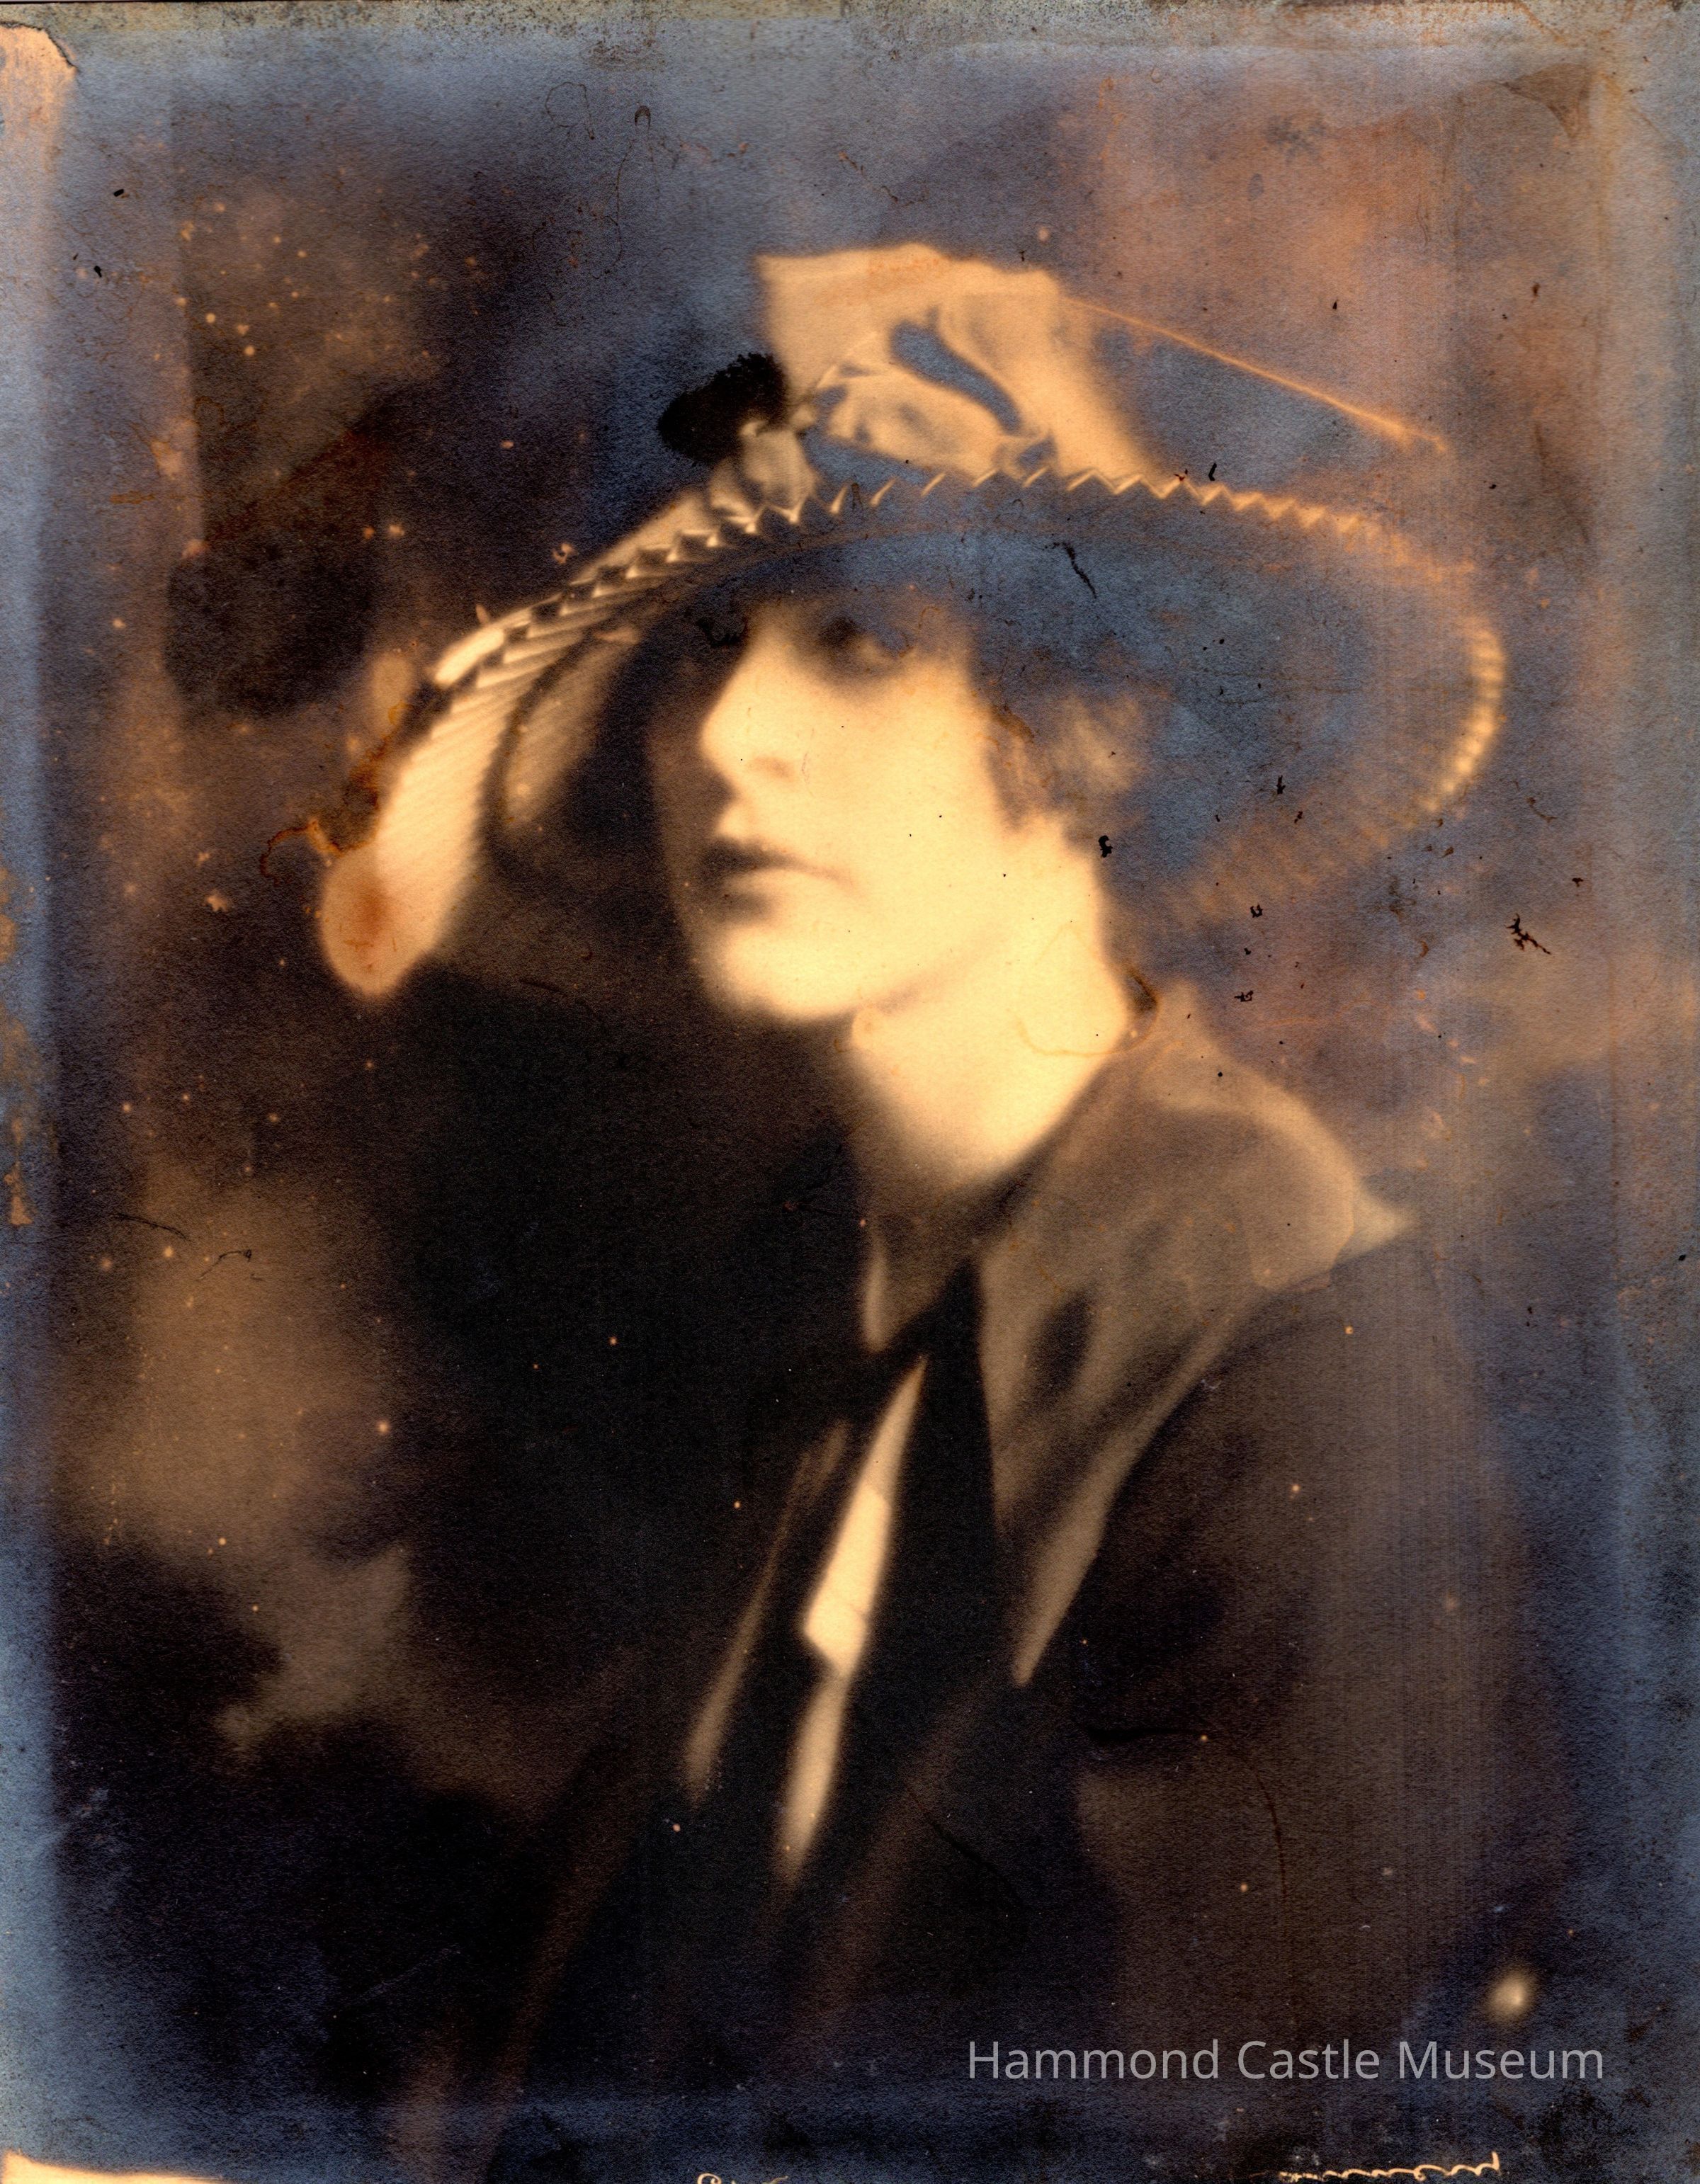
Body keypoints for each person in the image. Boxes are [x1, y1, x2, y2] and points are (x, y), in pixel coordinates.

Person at [320, 246, 1553, 2175]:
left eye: (859, 640)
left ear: (1093, 720)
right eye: (704, 647)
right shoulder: (823, 1303)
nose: (729, 737)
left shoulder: (1290, 1378)